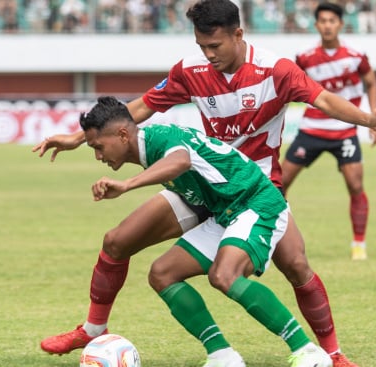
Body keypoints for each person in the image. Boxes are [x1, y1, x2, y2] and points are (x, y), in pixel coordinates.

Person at [33, 1, 376, 366]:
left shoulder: (275, 70)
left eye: (215, 45)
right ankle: (93, 329)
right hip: (201, 181)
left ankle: (331, 354)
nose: (208, 54)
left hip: (253, 185)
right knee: (117, 241)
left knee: (295, 265)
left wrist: (367, 120)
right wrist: (78, 137)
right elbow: (135, 112)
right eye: (201, 45)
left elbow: (323, 99)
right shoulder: (190, 71)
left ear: (238, 34)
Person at [80, 95, 333, 367]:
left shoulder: (161, 139)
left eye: (98, 147)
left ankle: (307, 350)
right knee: (162, 273)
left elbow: (180, 162)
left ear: (121, 134)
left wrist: (128, 185)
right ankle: (222, 355)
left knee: (224, 275)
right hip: (225, 212)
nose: (98, 156)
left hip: (255, 202)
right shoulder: (147, 144)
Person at [281, 2, 376, 261]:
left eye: (331, 21)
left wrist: (373, 117)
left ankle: (359, 244)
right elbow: (288, 88)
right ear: (316, 25)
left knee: (355, 185)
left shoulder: (356, 55)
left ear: (339, 24)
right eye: (322, 21)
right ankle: (275, 238)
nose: (327, 25)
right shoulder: (304, 57)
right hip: (311, 129)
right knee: (279, 183)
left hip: (345, 130)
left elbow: (371, 82)